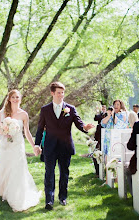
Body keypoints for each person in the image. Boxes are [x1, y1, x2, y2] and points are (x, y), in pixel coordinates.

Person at [34, 82, 94, 210]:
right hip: (50, 146)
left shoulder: (70, 109)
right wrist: (36, 144)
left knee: (64, 173)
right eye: (59, 93)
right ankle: (49, 201)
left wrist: (85, 127)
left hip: (65, 146)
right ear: (52, 93)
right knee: (49, 173)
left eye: (63, 93)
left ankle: (63, 198)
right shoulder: (45, 109)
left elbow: (78, 123)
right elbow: (39, 129)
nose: (61, 95)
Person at [0, 89, 42, 212]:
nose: (15, 99)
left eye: (17, 97)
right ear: (9, 99)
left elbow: (27, 132)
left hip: (18, 145)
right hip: (6, 145)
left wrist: (34, 145)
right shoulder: (2, 113)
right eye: (13, 97)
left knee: (17, 168)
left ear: (20, 99)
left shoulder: (23, 114)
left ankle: (16, 193)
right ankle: (4, 190)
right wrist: (5, 134)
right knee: (5, 166)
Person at [93, 104, 107, 176]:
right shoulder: (100, 116)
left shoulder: (108, 115)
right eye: (103, 107)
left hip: (103, 141)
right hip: (99, 138)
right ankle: (98, 172)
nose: (104, 108)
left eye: (105, 107)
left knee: (96, 154)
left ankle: (99, 172)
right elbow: (95, 118)